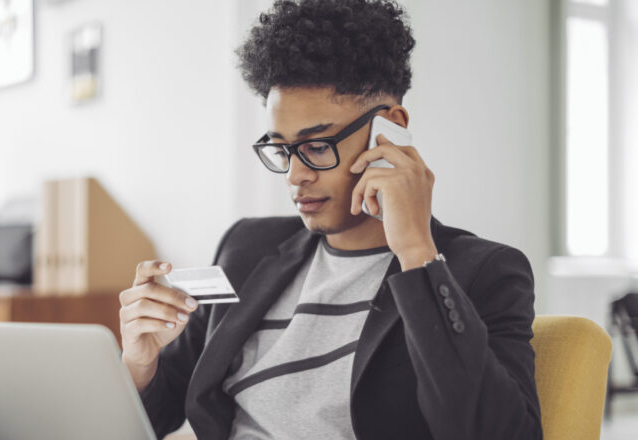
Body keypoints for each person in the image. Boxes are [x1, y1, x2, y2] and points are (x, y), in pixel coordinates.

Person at [118, 1, 542, 439]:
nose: (295, 175)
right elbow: (160, 412)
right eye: (282, 149)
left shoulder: (482, 272)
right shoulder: (245, 247)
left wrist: (417, 253)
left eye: (318, 147)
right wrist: (140, 362)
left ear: (390, 130)